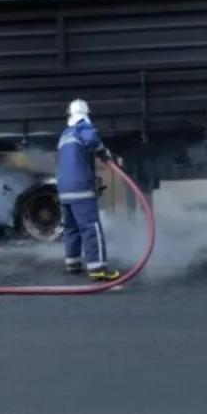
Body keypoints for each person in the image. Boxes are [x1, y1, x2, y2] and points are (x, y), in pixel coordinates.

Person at [56, 99, 121, 281]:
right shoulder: (81, 127)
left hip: (63, 188)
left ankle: (73, 263)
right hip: (80, 188)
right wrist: (103, 152)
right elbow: (92, 139)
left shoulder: (65, 134)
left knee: (71, 228)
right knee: (90, 227)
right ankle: (97, 268)